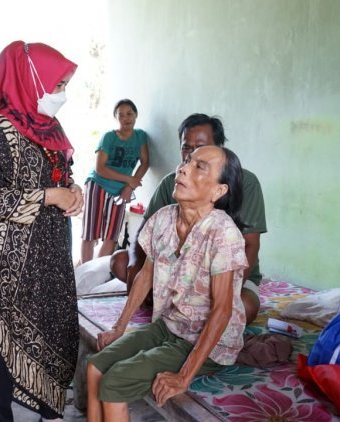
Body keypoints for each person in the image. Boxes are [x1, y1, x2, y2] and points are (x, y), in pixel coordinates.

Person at [0, 40, 83, 422]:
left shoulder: (50, 127)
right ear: (32, 79)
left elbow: (62, 173)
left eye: (63, 85)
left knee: (55, 328)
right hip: (11, 258)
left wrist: (73, 191)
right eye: (57, 84)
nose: (61, 93)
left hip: (52, 249)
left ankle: (50, 410)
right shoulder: (0, 126)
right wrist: (50, 196)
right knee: (7, 339)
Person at [87, 145, 248, 421]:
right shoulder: (163, 218)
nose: (183, 168)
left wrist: (184, 377)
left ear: (218, 191)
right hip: (169, 325)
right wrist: (119, 327)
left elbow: (223, 309)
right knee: (94, 368)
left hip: (208, 343)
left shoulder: (223, 233)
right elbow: (145, 276)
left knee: (115, 381)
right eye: (187, 161)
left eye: (200, 167)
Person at [111, 113, 267, 325]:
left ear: (219, 150)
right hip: (179, 273)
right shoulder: (173, 183)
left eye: (201, 147)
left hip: (223, 276)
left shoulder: (245, 183)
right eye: (186, 147)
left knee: (243, 309)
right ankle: (171, 303)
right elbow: (144, 233)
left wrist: (214, 296)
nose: (192, 154)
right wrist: (136, 268)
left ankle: (177, 305)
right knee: (121, 262)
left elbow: (250, 246)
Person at [80, 99, 149, 263]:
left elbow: (145, 163)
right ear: (116, 118)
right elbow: (100, 168)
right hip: (98, 185)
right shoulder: (109, 137)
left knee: (111, 235)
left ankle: (95, 275)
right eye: (121, 115)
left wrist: (129, 187)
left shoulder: (140, 137)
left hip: (121, 190)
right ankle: (84, 273)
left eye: (130, 113)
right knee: (90, 232)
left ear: (136, 115)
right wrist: (129, 179)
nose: (126, 118)